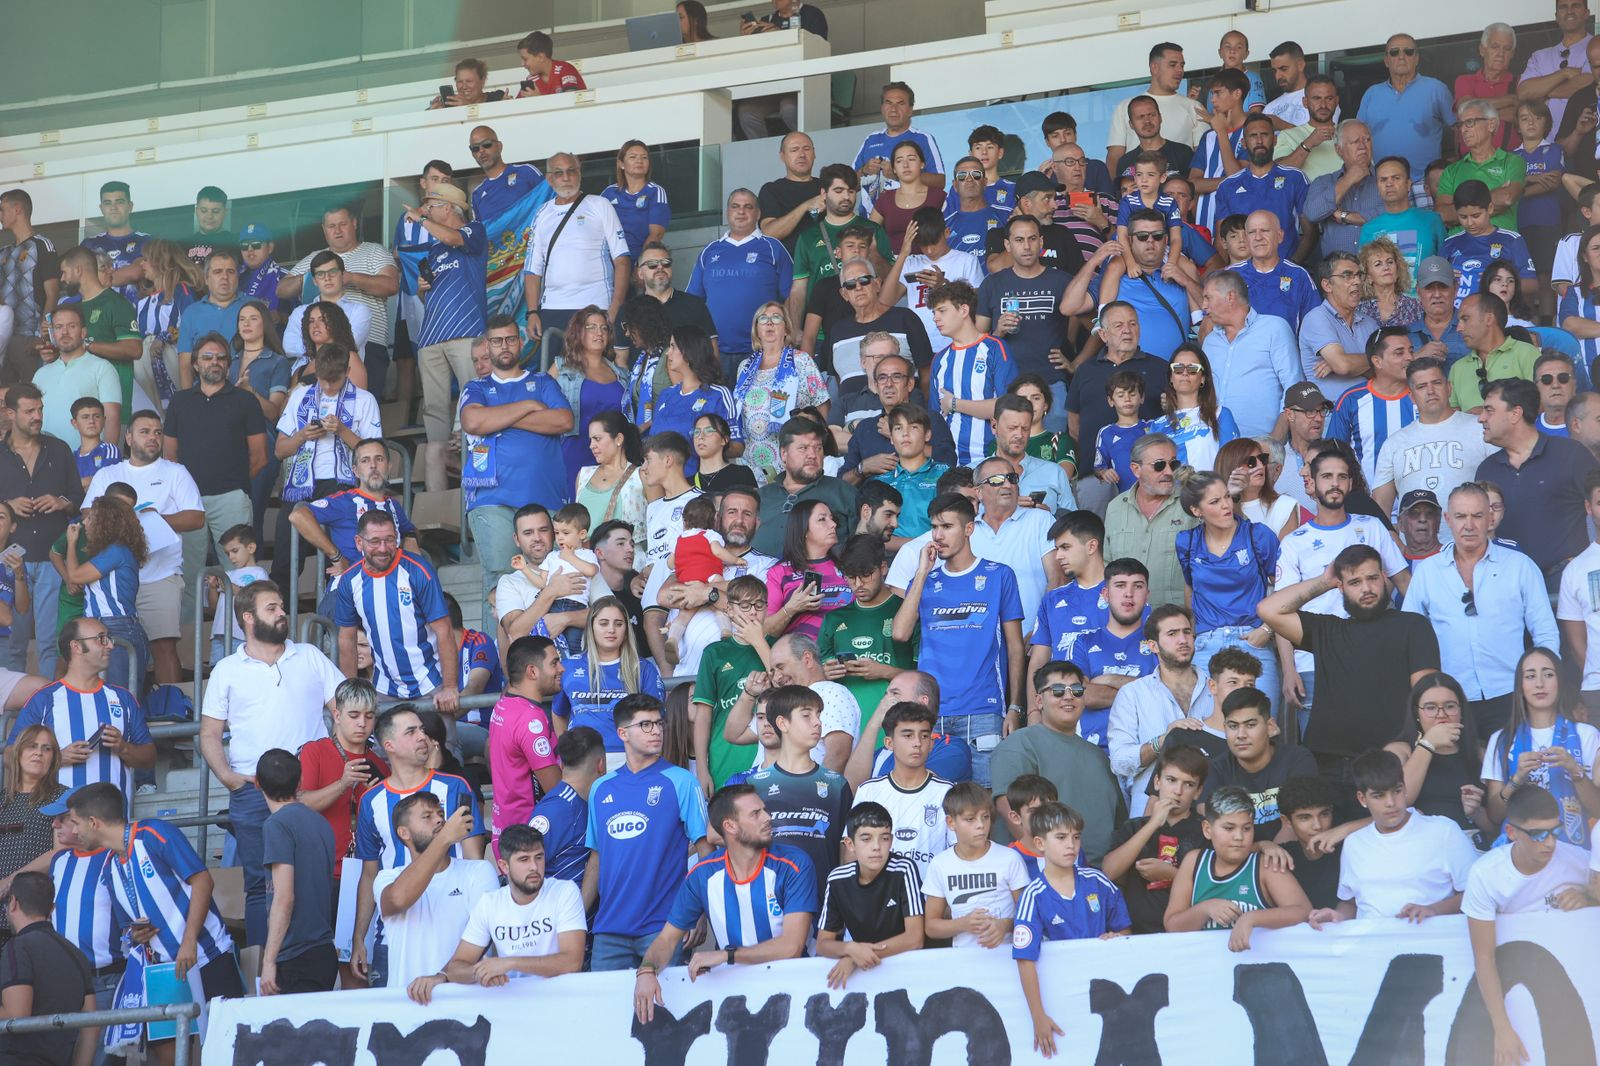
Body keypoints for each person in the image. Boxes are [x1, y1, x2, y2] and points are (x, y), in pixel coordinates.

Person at [198, 580, 341, 949]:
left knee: (321, 879)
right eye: (271, 608)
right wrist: (228, 778)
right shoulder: (227, 669)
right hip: (253, 791)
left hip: (311, 786)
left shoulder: (309, 655)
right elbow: (209, 733)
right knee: (261, 887)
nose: (282, 613)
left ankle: (318, 964)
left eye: (281, 606)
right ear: (248, 617)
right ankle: (264, 972)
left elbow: (343, 709)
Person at [67, 781, 242, 1064]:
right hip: (162, 971)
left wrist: (188, 941)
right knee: (169, 1058)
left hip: (208, 957)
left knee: (228, 1049)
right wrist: (135, 935)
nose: (73, 831)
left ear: (93, 822)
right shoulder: (110, 867)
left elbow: (203, 880)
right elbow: (128, 928)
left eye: (75, 823)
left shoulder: (154, 833)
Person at [1259, 544, 1439, 807]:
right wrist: (1323, 582)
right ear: (1340, 587)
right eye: (1355, 582)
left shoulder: (1413, 626)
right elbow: (1268, 610)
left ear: (1384, 578)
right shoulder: (1328, 630)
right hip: (1326, 766)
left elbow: (1427, 698)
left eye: (1372, 578)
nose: (1366, 588)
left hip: (1387, 766)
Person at [632, 783, 815, 1022]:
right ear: (730, 826)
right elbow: (667, 939)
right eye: (756, 813)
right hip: (734, 994)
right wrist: (647, 970)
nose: (768, 817)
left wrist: (727, 955)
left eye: (764, 810)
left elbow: (792, 946)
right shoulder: (702, 874)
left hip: (793, 990)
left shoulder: (794, 864)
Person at [1403, 484, 1557, 736]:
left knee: (1514, 761)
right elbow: (1410, 638)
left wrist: (1545, 686)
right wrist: (1425, 697)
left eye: (1477, 515)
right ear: (1448, 519)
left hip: (1511, 692)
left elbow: (1545, 632)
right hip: (1450, 700)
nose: (1469, 525)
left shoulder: (1520, 566)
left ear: (1490, 517)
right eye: (1460, 516)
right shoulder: (1427, 573)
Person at [350, 704, 486, 985]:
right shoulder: (371, 800)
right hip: (393, 932)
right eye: (411, 732)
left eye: (422, 730)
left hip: (453, 928)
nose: (422, 736)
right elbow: (369, 874)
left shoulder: (455, 787)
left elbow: (474, 861)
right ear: (389, 745)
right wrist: (358, 938)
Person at [894, 492, 1024, 785]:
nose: (938, 535)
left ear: (969, 529)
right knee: (934, 798)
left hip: (983, 709)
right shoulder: (925, 580)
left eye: (947, 526)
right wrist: (922, 572)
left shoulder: (999, 575)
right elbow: (900, 633)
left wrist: (1015, 707)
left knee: (985, 797)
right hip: (931, 712)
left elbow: (1015, 647)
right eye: (934, 527)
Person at [1465, 785, 1597, 1066]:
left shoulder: (1579, 861)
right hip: (1512, 985)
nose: (1549, 843)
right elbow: (1484, 957)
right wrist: (1501, 1028)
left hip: (1574, 985)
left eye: (1555, 831)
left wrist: (1589, 899)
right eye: (1538, 834)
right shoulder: (1485, 875)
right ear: (1512, 833)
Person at [583, 693, 710, 972]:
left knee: (664, 1002)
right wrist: (578, 920)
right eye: (645, 725)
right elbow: (596, 859)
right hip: (609, 929)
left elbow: (706, 852)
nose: (656, 731)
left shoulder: (682, 781)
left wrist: (700, 911)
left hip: (665, 928)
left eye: (659, 723)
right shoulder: (600, 788)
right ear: (622, 733)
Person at [459, 315, 574, 605]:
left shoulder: (543, 381)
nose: (504, 346)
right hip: (492, 496)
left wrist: (498, 419)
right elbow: (473, 421)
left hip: (544, 496)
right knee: (500, 584)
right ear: (488, 346)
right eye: (497, 341)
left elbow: (563, 420)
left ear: (520, 342)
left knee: (550, 579)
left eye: (510, 339)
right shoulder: (476, 387)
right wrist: (527, 406)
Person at [405, 822, 585, 1006]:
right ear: (504, 866)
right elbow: (457, 966)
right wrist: (482, 972)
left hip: (560, 1003)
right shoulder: (490, 903)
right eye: (524, 859)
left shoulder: (564, 892)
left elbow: (572, 963)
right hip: (512, 1005)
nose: (534, 866)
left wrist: (510, 963)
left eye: (539, 857)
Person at [1012, 801, 1131, 1058]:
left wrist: (1118, 937)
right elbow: (1025, 960)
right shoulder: (1033, 895)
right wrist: (1038, 1016)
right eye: (1061, 837)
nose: (1071, 845)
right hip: (1060, 997)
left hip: (1105, 993)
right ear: (1040, 843)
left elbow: (1125, 930)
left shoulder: (1098, 881)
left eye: (1076, 837)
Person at [1309, 749, 1478, 927]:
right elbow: (1351, 902)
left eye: (1396, 791)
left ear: (1405, 788)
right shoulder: (1354, 843)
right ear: (1362, 799)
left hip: (1432, 939)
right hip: (1371, 941)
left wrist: (1433, 910)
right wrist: (1337, 916)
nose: (1390, 802)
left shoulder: (1443, 830)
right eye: (1379, 795)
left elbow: (1476, 893)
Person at [989, 658, 1125, 864]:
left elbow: (1119, 825)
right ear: (1039, 701)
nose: (1068, 696)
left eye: (1077, 690)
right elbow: (1009, 809)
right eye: (1058, 691)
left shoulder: (1099, 756)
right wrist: (1054, 868)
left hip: (1099, 876)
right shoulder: (1019, 744)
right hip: (1039, 872)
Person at [163, 332, 268, 586]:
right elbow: (169, 456)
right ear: (195, 364)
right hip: (188, 502)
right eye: (207, 357)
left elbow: (260, 457)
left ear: (228, 365)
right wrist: (183, 492)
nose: (215, 362)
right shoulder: (180, 402)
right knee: (188, 574)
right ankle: (191, 617)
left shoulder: (245, 401)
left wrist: (234, 485)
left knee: (239, 572)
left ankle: (241, 615)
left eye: (221, 357)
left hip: (231, 498)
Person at [1476, 376, 1600, 586]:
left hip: (1567, 584)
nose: (1481, 418)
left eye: (1489, 410)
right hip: (1508, 586)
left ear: (1515, 413)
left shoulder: (1571, 455)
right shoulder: (1486, 469)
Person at [332, 510, 459, 713]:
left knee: (438, 735)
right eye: (375, 541)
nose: (383, 548)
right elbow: (347, 638)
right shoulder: (349, 580)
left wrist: (450, 687)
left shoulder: (418, 570)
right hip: (384, 686)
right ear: (359, 542)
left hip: (431, 683)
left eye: (389, 540)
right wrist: (350, 693)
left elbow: (444, 631)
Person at [373, 791, 499, 994]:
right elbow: (397, 900)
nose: (439, 820)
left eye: (441, 814)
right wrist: (444, 838)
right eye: (427, 816)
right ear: (404, 833)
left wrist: (443, 976)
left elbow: (483, 937)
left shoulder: (478, 871)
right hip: (405, 1005)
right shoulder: (387, 877)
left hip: (468, 1003)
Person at [1163, 784, 1312, 949]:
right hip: (1204, 964)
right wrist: (1205, 908)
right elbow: (1172, 925)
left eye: (1247, 828)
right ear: (1207, 829)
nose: (1239, 836)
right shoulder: (1194, 861)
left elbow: (1304, 911)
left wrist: (1251, 918)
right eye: (1229, 828)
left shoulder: (1265, 866)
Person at [1480, 646, 1600, 847]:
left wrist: (1575, 771)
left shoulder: (1587, 735)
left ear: (1560, 682)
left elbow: (1598, 810)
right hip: (1518, 852)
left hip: (1572, 851)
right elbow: (1495, 815)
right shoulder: (1501, 739)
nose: (1539, 683)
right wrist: (1517, 779)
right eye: (1530, 676)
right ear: (1520, 686)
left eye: (1548, 674)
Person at [1106, 604, 1212, 814]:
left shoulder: (1215, 689)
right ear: (1153, 646)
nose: (1183, 640)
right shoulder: (1132, 694)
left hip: (1208, 808)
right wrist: (1162, 741)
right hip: (1150, 812)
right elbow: (1119, 763)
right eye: (1172, 634)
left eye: (1187, 632)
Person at [253, 749, 338, 997]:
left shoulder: (277, 824)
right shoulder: (321, 822)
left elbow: (284, 897)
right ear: (300, 782)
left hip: (296, 957)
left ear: (257, 783)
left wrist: (268, 961)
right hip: (322, 950)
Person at [1101, 745, 1208, 933]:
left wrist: (1172, 875)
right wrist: (1152, 824)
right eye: (1171, 780)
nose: (1178, 791)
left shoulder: (1206, 831)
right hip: (1136, 935)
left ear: (1198, 792)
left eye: (1188, 784)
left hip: (1188, 936)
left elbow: (1216, 888)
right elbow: (1109, 872)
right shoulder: (1134, 827)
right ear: (1157, 782)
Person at [816, 801, 923, 988]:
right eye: (866, 839)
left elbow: (915, 938)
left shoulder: (904, 869)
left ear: (891, 840)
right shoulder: (837, 879)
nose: (876, 847)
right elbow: (823, 944)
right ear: (850, 844)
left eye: (884, 838)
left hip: (906, 970)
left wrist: (856, 958)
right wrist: (850, 949)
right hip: (865, 975)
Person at [687, 190, 793, 378]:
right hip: (715, 352)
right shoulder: (709, 251)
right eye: (735, 206)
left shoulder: (773, 247)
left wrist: (788, 336)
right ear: (727, 212)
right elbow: (692, 302)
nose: (741, 212)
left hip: (762, 349)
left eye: (748, 207)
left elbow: (793, 296)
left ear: (758, 214)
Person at [1372, 356, 1492, 515]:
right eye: (1421, 386)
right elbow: (1380, 507)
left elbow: (1501, 490)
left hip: (1472, 530)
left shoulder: (1481, 429)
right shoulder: (1393, 443)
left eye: (1436, 383)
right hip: (1412, 532)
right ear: (1412, 397)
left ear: (1449, 388)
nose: (1430, 391)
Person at [0, 870, 97, 1066]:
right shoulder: (76, 954)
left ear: (13, 903)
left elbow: (17, 1014)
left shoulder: (17, 947)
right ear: (52, 908)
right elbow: (92, 1025)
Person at [1383, 671, 1494, 839]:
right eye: (1430, 708)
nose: (1441, 715)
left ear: (1461, 711)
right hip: (1417, 844)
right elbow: (1397, 801)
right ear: (1417, 713)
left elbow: (1499, 828)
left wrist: (1477, 813)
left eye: (1450, 706)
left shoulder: (1480, 753)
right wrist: (1428, 743)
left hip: (1471, 843)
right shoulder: (1399, 751)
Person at [922, 781, 1029, 950]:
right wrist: (963, 924)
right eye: (970, 819)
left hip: (1008, 957)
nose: (980, 825)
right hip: (964, 960)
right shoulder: (940, 864)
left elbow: (1030, 916)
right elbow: (931, 927)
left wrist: (1004, 926)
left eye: (985, 817)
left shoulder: (1010, 859)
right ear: (951, 822)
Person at [732, 303, 828, 485]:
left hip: (790, 457)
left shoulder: (801, 360)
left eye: (776, 318)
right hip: (750, 459)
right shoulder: (744, 367)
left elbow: (822, 405)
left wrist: (814, 443)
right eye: (763, 319)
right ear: (757, 330)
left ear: (786, 329)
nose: (769, 323)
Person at [1199, 271, 1301, 437]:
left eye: (1208, 298)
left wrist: (1277, 437)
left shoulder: (1274, 328)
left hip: (1262, 443)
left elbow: (1293, 384)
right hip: (1216, 443)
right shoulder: (1210, 341)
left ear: (1230, 297)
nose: (1203, 306)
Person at [1103, 433, 1197, 608]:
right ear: (1136, 469)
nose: (1169, 472)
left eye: (1173, 464)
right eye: (1159, 465)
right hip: (1129, 617)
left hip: (1177, 617)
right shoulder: (1115, 508)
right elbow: (1107, 566)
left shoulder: (1191, 503)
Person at [1357, 34, 1457, 181]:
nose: (1401, 56)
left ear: (1417, 58)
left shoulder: (1436, 89)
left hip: (1426, 182)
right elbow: (1357, 136)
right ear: (1386, 60)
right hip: (1383, 183)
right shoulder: (1371, 94)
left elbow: (1458, 128)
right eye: (1394, 52)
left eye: (1408, 52)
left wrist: (1455, 161)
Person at [1105, 43, 1201, 178]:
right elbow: (1114, 157)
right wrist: (1115, 190)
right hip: (1135, 187)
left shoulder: (1195, 108)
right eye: (1173, 65)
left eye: (1182, 65)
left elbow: (1202, 159)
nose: (1180, 70)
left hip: (1179, 187)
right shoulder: (1124, 107)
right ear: (1154, 67)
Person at [1443, 188, 1539, 321]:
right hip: (1456, 320)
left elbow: (1532, 284)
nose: (1470, 223)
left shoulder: (1511, 240)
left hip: (1497, 319)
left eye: (1476, 216)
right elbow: (1433, 285)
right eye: (1463, 217)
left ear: (1490, 208)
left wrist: (1496, 280)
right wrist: (1445, 278)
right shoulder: (1450, 243)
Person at [529, 726, 606, 883]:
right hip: (553, 899)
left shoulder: (584, 802)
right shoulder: (558, 808)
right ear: (601, 765)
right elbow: (524, 866)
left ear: (561, 765)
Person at [852, 82, 946, 211]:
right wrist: (864, 170)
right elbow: (850, 185)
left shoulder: (922, 138)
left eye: (900, 103)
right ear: (882, 108)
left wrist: (897, 174)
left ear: (910, 110)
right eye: (888, 103)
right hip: (869, 220)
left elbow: (940, 182)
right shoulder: (871, 139)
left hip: (909, 217)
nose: (893, 109)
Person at [1438, 100, 1528, 233]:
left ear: (1491, 125)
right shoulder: (1451, 170)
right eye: (1460, 124)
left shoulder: (1512, 161)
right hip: (1460, 245)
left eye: (1469, 122)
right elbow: (1442, 215)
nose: (1463, 130)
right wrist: (1493, 197)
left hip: (1499, 243)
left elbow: (1506, 198)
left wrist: (1460, 208)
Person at [0, 189, 59, 383]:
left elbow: (53, 294)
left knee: (32, 392)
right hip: (4, 337)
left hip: (30, 337)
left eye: (2, 210)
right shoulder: (3, 252)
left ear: (17, 209)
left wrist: (43, 336)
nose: (0, 216)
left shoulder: (42, 245)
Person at [1149, 344, 1238, 470]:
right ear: (1171, 378)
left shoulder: (1220, 414)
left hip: (1210, 483)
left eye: (1192, 369)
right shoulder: (1157, 425)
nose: (1185, 373)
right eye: (1178, 368)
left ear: (1202, 378)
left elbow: (1231, 464)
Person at [990, 393, 1075, 511]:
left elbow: (1073, 519)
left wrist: (1049, 516)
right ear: (994, 426)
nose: (1019, 435)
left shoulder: (1055, 472)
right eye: (1012, 428)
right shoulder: (974, 473)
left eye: (1025, 429)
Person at [758, 132, 823, 251]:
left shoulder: (827, 187)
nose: (802, 155)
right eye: (794, 150)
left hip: (826, 260)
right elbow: (769, 233)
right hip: (788, 262)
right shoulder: (771, 190)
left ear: (814, 153)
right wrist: (806, 206)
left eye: (806, 149)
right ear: (782, 156)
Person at [1273, 74, 1343, 180]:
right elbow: (1279, 174)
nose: (1323, 105)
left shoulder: (1349, 133)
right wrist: (1308, 143)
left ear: (1337, 101)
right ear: (1305, 102)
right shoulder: (1287, 136)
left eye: (1329, 99)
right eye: (1316, 99)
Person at [515, 30, 587, 96]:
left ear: (541, 57)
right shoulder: (531, 79)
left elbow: (569, 99)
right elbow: (517, 104)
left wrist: (538, 98)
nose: (522, 64)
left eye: (525, 59)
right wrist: (508, 101)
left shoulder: (565, 69)